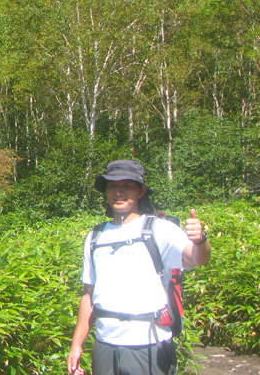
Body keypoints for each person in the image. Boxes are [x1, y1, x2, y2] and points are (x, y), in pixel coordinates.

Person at [67, 160, 212, 375]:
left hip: (150, 345)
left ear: (141, 191)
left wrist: (200, 240)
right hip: (105, 345)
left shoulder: (160, 229)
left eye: (127, 186)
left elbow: (197, 258)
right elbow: (88, 294)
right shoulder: (95, 236)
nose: (118, 192)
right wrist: (77, 344)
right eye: (112, 186)